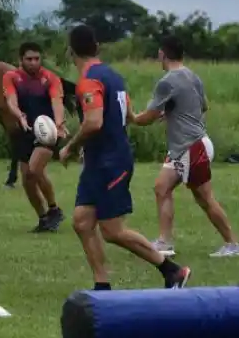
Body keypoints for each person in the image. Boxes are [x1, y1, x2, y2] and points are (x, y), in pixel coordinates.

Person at [58, 25, 191, 291]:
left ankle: (172, 270)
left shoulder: (89, 81)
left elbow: (94, 122)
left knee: (112, 231)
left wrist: (71, 146)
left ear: (70, 52)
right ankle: (102, 286)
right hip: (101, 161)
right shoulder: (114, 77)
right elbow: (126, 115)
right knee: (82, 222)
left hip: (110, 163)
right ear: (97, 48)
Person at [130, 35, 239, 258]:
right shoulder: (193, 76)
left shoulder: (167, 81)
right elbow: (203, 107)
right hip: (188, 146)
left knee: (204, 199)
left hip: (192, 147)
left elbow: (147, 118)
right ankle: (164, 243)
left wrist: (132, 117)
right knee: (161, 188)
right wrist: (172, 112)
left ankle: (233, 245)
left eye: (158, 55)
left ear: (163, 54)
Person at [2, 42, 67, 233]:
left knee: (34, 169)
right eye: (29, 59)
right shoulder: (11, 77)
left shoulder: (50, 78)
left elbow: (57, 102)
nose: (33, 63)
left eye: (37, 59)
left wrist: (59, 123)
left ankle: (54, 209)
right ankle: (43, 218)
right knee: (26, 180)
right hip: (24, 130)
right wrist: (19, 115)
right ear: (20, 60)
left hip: (47, 130)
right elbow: (11, 101)